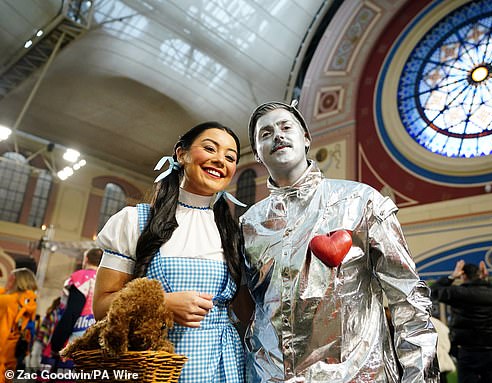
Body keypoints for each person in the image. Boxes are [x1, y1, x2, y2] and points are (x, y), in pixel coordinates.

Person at [240, 101, 439, 382]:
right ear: (258, 155)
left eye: (286, 127)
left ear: (306, 138)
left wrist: (421, 376)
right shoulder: (249, 223)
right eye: (265, 133)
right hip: (268, 374)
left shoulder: (361, 201)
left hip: (356, 374)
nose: (278, 136)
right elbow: (247, 306)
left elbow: (406, 298)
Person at [93, 122, 252, 383]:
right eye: (210, 148)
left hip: (225, 369)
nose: (220, 160)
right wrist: (162, 304)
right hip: (156, 368)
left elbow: (247, 312)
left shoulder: (234, 234)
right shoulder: (135, 221)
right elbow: (101, 307)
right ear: (181, 154)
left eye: (230, 157)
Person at [431, 260, 492, 383]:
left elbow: (432, 292)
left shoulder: (458, 293)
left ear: (463, 276)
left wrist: (452, 277)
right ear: (480, 275)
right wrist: (485, 280)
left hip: (468, 350)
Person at [49, 247, 102, 370]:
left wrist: (56, 344)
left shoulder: (80, 278)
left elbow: (71, 313)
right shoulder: (106, 280)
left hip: (73, 344)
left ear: (86, 259)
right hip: (95, 349)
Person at [0, 268, 38, 382]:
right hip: (15, 350)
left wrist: (5, 289)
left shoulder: (7, 300)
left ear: (14, 280)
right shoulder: (30, 302)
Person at [430, 316, 456, 383]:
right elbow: (447, 344)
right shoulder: (438, 323)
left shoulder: (416, 323)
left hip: (429, 366)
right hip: (441, 363)